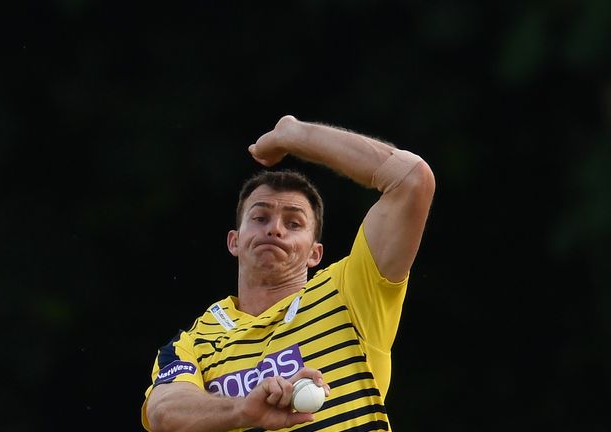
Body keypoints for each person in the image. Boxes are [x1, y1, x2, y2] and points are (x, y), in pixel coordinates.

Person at [141, 114, 435, 431]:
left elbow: (411, 179)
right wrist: (243, 410)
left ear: (314, 253)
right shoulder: (194, 341)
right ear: (234, 241)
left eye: (293, 223)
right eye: (260, 218)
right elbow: (163, 412)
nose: (275, 230)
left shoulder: (350, 293)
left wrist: (294, 135)